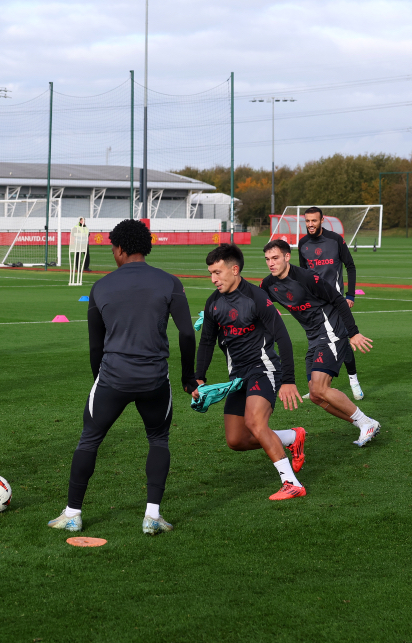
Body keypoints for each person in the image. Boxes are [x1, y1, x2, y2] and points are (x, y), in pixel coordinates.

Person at [48, 219, 196, 535]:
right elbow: (186, 332)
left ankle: (73, 514)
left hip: (112, 379)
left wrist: (98, 379)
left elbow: (95, 346)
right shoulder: (170, 282)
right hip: (154, 380)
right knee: (158, 439)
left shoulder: (101, 286)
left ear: (120, 249)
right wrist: (188, 377)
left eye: (112, 248)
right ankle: (152, 516)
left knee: (89, 440)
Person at [194, 244, 306, 501]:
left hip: (264, 369)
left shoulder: (256, 297)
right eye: (210, 273)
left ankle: (291, 483)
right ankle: (292, 436)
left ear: (235, 270)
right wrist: (199, 378)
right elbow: (207, 342)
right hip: (237, 377)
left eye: (218, 272)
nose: (213, 278)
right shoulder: (213, 303)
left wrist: (288, 379)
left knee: (256, 423)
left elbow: (283, 338)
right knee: (236, 439)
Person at [261, 239, 380, 447]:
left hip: (332, 332)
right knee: (316, 395)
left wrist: (353, 333)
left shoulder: (307, 277)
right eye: (267, 259)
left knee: (320, 387)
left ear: (287, 257)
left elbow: (338, 300)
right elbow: (254, 303)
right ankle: (364, 422)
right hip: (313, 338)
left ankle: (365, 422)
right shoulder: (268, 285)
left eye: (275, 258)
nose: (271, 263)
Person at [298, 207, 364, 401]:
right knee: (315, 342)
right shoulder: (302, 243)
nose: (310, 224)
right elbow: (304, 274)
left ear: (322, 220)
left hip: (335, 302)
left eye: (314, 221)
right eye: (307, 221)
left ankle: (353, 380)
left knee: (342, 340)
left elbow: (350, 266)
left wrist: (350, 295)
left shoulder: (335, 240)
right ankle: (314, 387)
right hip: (313, 303)